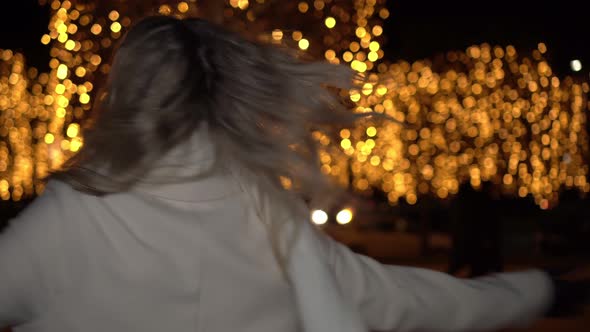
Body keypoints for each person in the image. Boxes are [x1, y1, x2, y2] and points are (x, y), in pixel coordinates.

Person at [0, 16, 587, 332]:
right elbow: (409, 300)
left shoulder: (70, 219)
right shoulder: (274, 224)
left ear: (123, 96)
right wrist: (538, 290)